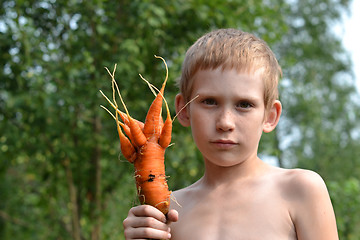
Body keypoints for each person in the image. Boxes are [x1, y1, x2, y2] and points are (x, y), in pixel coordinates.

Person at [122, 28, 338, 240]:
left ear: (270, 116)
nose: (225, 122)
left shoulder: (299, 190)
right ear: (183, 110)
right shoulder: (168, 211)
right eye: (209, 102)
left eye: (244, 104)